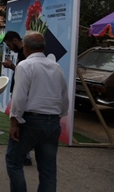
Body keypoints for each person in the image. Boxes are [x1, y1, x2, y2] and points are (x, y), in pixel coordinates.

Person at [6, 31, 69, 192]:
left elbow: (19, 98)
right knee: (48, 169)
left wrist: (14, 122)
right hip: (52, 122)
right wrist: (57, 116)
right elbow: (64, 97)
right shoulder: (56, 67)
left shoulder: (25, 66)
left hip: (30, 121)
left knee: (14, 162)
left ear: (25, 48)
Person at [2, 31, 32, 166]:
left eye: (9, 44)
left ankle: (23, 155)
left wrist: (11, 66)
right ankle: (25, 154)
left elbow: (23, 73)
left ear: (15, 40)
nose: (9, 48)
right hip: (18, 91)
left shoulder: (25, 55)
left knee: (21, 125)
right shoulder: (21, 54)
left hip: (22, 94)